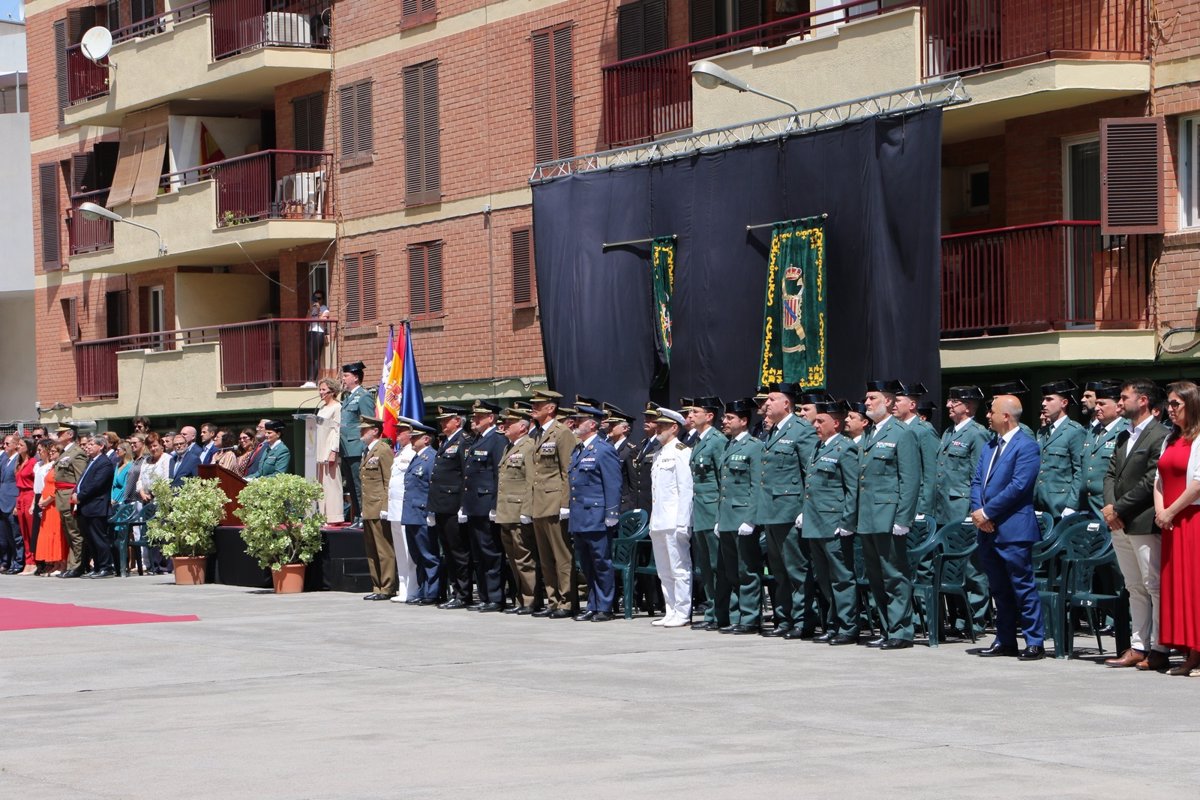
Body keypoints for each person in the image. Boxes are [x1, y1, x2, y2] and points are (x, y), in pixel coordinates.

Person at [970, 393, 1046, 660]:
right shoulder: (990, 446)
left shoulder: (1026, 446)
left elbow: (1019, 486)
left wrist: (988, 512)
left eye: (991, 411)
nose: (987, 416)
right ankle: (1005, 639)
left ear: (1006, 416)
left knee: (1022, 585)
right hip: (987, 527)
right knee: (999, 587)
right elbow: (978, 480)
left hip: (1013, 527)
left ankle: (1034, 640)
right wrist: (978, 512)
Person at [1101, 379, 1169, 670]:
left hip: (1142, 521)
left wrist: (1119, 507)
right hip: (1118, 523)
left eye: (1124, 397)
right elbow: (1111, 474)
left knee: (1153, 585)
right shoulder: (1122, 436)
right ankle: (1138, 645)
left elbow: (1151, 480)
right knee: (1133, 586)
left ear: (1142, 401)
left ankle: (1160, 646)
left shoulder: (1159, 435)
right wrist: (1109, 508)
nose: (1120, 402)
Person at [857, 380, 921, 650]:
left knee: (894, 575)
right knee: (875, 577)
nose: (867, 403)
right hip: (867, 516)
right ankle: (886, 628)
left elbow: (910, 480)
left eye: (872, 398)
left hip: (889, 515)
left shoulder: (901, 433)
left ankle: (901, 631)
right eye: (867, 398)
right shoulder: (869, 434)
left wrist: (902, 519)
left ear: (889, 401)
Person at [758, 383, 819, 639]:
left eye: (772, 399)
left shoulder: (801, 430)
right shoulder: (772, 432)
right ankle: (783, 619)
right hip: (771, 511)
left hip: (790, 510)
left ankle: (803, 620)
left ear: (786, 404)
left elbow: (810, 473)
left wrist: (806, 509)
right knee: (779, 570)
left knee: (796, 569)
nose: (766, 403)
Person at [800, 400, 862, 644]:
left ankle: (848, 626)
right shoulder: (818, 447)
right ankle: (834, 623)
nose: (815, 425)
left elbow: (852, 489)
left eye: (820, 421)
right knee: (824, 578)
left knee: (841, 577)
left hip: (834, 522)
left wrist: (847, 522)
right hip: (815, 522)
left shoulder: (844, 448)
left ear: (835, 423)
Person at [934, 385, 992, 635]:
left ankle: (975, 618)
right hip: (944, 510)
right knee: (951, 566)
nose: (948, 405)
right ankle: (958, 616)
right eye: (949, 400)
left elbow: (979, 476)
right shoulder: (948, 432)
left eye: (954, 402)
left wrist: (975, 510)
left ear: (968, 406)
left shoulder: (977, 433)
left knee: (972, 567)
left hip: (963, 509)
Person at [1153, 381, 1200, 676]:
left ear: (1191, 405)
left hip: (1192, 520)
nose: (1170, 410)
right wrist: (1161, 511)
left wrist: (1170, 510)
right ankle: (1188, 649)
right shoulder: (1170, 439)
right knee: (1177, 586)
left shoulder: (1199, 439)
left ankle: (1198, 652)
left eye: (1175, 405)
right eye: (1169, 404)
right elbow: (1158, 479)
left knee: (1194, 587)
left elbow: (1198, 483)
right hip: (1170, 522)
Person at [567, 403, 622, 622]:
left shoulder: (603, 448)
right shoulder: (579, 449)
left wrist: (612, 513)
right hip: (580, 516)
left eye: (580, 421)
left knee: (601, 562)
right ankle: (593, 604)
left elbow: (613, 484)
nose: (576, 424)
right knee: (586, 564)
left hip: (597, 516)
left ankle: (606, 606)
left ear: (592, 424)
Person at [528, 390, 580, 619]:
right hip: (539, 503)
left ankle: (567, 601)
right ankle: (553, 600)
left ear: (551, 408)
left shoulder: (562, 433)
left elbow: (566, 471)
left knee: (561, 556)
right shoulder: (538, 434)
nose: (533, 408)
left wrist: (565, 503)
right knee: (546, 557)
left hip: (555, 501)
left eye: (538, 405)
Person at [715, 398, 764, 635]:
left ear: (743, 421)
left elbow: (756, 485)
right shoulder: (728, 445)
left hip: (743, 516)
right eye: (725, 417)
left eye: (729, 418)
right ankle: (736, 616)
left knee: (747, 570)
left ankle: (750, 617)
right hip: (727, 516)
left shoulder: (754, 446)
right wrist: (718, 518)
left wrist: (751, 517)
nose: (724, 421)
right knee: (731, 571)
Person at [648, 407, 694, 628]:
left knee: (679, 568)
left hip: (674, 520)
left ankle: (683, 611)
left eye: (663, 426)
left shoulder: (681, 451)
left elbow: (685, 490)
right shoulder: (659, 453)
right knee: (664, 570)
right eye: (658, 425)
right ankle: (670, 610)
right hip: (658, 521)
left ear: (674, 428)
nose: (658, 428)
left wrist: (683, 522)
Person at [462, 400, 507, 612]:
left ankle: (496, 597)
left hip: (486, 504)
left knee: (491, 553)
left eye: (479, 417)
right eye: (474, 417)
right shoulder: (477, 439)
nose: (474, 420)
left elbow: (498, 474)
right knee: (478, 554)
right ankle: (484, 596)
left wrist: (495, 505)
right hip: (473, 505)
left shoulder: (497, 440)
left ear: (491, 418)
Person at [687, 396, 727, 631]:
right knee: (705, 563)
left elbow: (723, 479)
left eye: (695, 412)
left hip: (712, 508)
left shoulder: (717, 440)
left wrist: (721, 514)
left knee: (715, 564)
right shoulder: (699, 440)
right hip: (700, 509)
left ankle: (719, 612)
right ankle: (712, 610)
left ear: (709, 416)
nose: (690, 416)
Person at [495, 409, 539, 613]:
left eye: (510, 422)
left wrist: (527, 510)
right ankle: (521, 599)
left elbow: (531, 480)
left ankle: (531, 600)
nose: (504, 426)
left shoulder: (528, 447)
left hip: (519, 510)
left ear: (522, 427)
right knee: (513, 558)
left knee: (524, 558)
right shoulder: (510, 447)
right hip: (506, 511)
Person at [431, 405, 472, 609]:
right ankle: (455, 590)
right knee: (448, 550)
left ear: (457, 421)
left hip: (454, 504)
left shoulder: (463, 441)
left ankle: (464, 594)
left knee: (459, 552)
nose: (442, 423)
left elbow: (465, 475)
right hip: (442, 505)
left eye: (446, 420)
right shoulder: (447, 441)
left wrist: (463, 506)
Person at [401, 424, 441, 605]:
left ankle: (432, 592)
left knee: (428, 555)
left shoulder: (431, 457)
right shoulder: (417, 458)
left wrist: (431, 512)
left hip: (422, 512)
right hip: (411, 513)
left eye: (415, 437)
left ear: (426, 439)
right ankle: (422, 590)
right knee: (417, 555)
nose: (411, 440)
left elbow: (433, 486)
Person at [1035, 380, 1086, 520]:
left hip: (1060, 504)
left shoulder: (1074, 431)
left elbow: (1079, 470)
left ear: (1064, 403)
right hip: (1039, 502)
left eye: (1049, 399)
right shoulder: (1042, 432)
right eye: (1043, 399)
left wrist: (1072, 505)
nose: (1044, 403)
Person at [358, 417, 397, 601]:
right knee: (371, 550)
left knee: (384, 550)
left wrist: (386, 506)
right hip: (368, 507)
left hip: (379, 507)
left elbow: (388, 480)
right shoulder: (366, 451)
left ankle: (388, 586)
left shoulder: (383, 450)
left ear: (375, 431)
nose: (361, 432)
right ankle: (377, 585)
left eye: (365, 429)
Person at [1080, 384, 1131, 517]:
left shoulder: (1126, 431)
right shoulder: (1093, 431)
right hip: (1088, 506)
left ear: (1117, 406)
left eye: (1102, 404)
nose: (1097, 408)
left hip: (1111, 506)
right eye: (1096, 403)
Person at [74, 435, 116, 578]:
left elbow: (96, 484)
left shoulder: (105, 463)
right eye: (88, 444)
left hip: (96, 506)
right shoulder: (90, 461)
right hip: (85, 507)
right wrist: (75, 492)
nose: (88, 446)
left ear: (101, 446)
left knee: (99, 538)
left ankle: (106, 567)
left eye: (92, 444)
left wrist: (80, 496)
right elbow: (83, 481)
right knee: (89, 539)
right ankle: (97, 566)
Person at [339, 361, 375, 524]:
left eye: (346, 376)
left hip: (356, 447)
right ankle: (357, 515)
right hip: (346, 448)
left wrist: (364, 447)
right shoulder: (347, 398)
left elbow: (369, 423)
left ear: (355, 377)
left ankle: (364, 516)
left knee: (360, 484)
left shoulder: (364, 396)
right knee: (352, 486)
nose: (343, 379)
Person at [53, 425, 91, 578]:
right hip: (61, 497)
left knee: (75, 533)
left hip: (70, 496)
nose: (58, 436)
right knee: (69, 533)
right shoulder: (65, 452)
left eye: (61, 433)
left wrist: (77, 497)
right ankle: (73, 564)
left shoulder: (77, 453)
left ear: (69, 434)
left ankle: (78, 565)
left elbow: (80, 478)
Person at [386, 421, 417, 601]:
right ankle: (403, 587)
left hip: (406, 508)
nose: (397, 434)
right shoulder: (399, 454)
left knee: (408, 550)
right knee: (399, 549)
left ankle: (412, 588)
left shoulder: (413, 453)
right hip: (394, 508)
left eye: (401, 431)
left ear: (411, 434)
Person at [34, 442, 66, 575]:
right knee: (48, 534)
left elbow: (58, 486)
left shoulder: (61, 466)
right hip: (47, 505)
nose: (51, 453)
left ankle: (61, 563)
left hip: (54, 504)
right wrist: (42, 499)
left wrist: (47, 500)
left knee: (56, 534)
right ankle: (54, 562)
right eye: (51, 451)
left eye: (54, 451)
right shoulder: (53, 466)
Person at [315, 377, 344, 523]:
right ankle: (323, 515)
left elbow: (337, 430)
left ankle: (335, 516)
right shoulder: (322, 408)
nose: (320, 392)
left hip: (329, 449)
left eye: (324, 390)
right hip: (319, 450)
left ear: (332, 392)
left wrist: (334, 451)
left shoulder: (337, 407)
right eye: (320, 389)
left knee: (332, 484)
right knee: (321, 485)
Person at [0, 435, 22, 574]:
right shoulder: (4, 460)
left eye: (7, 444)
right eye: (4, 443)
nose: (4, 446)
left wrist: (17, 503)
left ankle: (18, 562)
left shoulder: (18, 460)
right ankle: (7, 561)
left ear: (15, 445)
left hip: (12, 501)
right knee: (5, 536)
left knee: (16, 535)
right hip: (2, 501)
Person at [15, 438, 36, 574]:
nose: (18, 446)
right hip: (21, 496)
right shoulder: (20, 462)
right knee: (24, 532)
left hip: (29, 495)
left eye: (21, 445)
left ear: (28, 447)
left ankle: (33, 561)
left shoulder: (33, 462)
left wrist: (34, 501)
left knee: (31, 530)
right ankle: (28, 561)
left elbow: (36, 483)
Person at [306, 290, 331, 386]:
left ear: (322, 299)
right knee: (310, 357)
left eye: (319, 298)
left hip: (319, 333)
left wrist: (319, 310)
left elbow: (323, 322)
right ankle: (309, 379)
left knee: (316, 357)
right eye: (315, 298)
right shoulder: (312, 308)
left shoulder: (325, 309)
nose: (317, 300)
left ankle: (313, 380)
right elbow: (307, 320)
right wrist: (310, 310)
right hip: (311, 332)